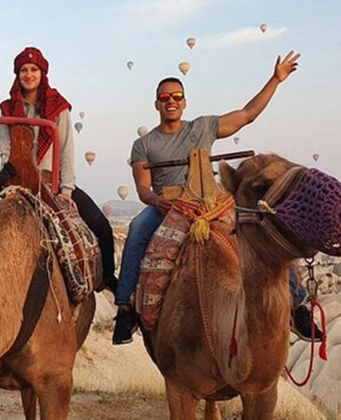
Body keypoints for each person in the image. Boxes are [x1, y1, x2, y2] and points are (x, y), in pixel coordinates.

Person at [112, 51, 322, 344]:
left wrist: (276, 79)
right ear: (157, 104)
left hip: (209, 202)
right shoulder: (144, 144)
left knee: (260, 228)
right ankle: (125, 310)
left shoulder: (202, 127)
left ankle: (296, 306)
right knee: (136, 230)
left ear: (184, 102)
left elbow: (247, 115)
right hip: (168, 205)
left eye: (176, 96)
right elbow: (143, 188)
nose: (171, 101)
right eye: (164, 98)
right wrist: (154, 201)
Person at [0, 47, 117, 292]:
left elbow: (65, 150)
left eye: (33, 70)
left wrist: (67, 190)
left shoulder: (57, 107)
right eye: (23, 70)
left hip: (51, 180)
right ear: (17, 74)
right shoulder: (7, 109)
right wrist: (7, 180)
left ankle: (107, 279)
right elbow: (5, 149)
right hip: (15, 179)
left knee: (101, 225)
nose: (28, 74)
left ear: (42, 73)